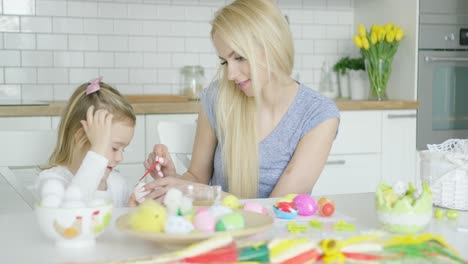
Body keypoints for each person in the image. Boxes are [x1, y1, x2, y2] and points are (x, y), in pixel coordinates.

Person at [143, 0, 340, 199]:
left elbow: (277, 208)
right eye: (224, 61)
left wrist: (206, 193)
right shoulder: (217, 97)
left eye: (239, 58)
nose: (230, 74)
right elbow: (197, 177)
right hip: (219, 227)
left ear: (273, 47)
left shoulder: (318, 115)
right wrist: (175, 180)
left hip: (281, 229)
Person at [35, 77, 137, 207]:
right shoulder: (52, 182)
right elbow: (71, 217)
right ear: (81, 138)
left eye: (124, 149)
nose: (120, 158)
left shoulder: (118, 184)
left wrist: (130, 211)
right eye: (114, 148)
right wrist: (97, 153)